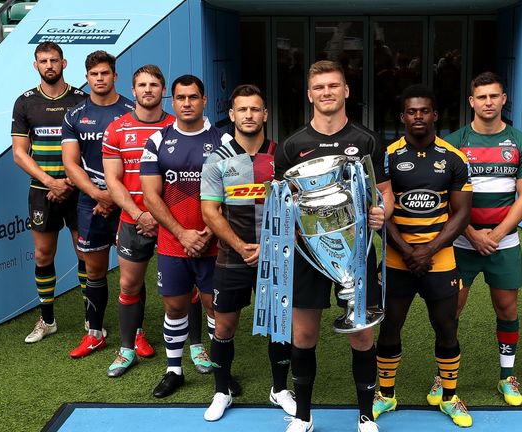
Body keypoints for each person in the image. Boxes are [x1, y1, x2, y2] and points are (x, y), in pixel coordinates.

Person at [274, 60, 392, 432]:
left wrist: (380, 213)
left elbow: (386, 194)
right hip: (308, 254)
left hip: (356, 255)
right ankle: (304, 416)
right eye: (319, 87)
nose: (326, 92)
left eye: (333, 86)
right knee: (304, 334)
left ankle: (366, 416)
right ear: (310, 95)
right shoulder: (293, 145)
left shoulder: (367, 140)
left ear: (346, 91)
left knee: (362, 333)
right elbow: (280, 200)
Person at [372, 84, 474, 427]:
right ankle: (385, 395)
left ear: (435, 115)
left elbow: (461, 214)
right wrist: (407, 250)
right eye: (412, 111)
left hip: (439, 258)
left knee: (446, 327)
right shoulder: (386, 157)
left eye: (424, 111)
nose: (418, 117)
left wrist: (428, 249)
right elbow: (379, 210)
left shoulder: (454, 157)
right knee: (390, 327)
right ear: (403, 117)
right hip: (396, 258)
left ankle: (449, 397)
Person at [200, 84, 295, 421]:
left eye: (255, 109)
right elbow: (210, 212)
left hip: (276, 259)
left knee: (279, 326)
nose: (249, 115)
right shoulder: (216, 159)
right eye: (243, 109)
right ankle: (221, 391)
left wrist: (269, 246)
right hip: (231, 258)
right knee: (223, 327)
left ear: (265, 114)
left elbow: (295, 207)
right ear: (232, 115)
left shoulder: (283, 156)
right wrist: (240, 246)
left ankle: (280, 389)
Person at [444, 72, 522, 405]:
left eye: (493, 96)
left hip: (504, 242)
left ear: (503, 99)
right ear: (472, 101)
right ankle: (444, 377)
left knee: (507, 308)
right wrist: (471, 233)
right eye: (481, 97)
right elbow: (447, 197)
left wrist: (495, 235)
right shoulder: (453, 143)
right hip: (460, 243)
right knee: (450, 310)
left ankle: (506, 376)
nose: (487, 102)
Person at [140, 75, 226, 398]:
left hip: (214, 243)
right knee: (175, 307)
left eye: (193, 97)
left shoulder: (225, 142)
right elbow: (151, 196)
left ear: (205, 100)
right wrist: (181, 233)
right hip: (173, 244)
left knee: (215, 307)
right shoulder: (157, 142)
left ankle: (222, 372)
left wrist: (210, 229)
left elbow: (235, 194)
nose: (187, 103)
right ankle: (174, 370)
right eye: (180, 97)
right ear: (172, 102)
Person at [101, 65, 175, 376]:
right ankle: (126, 349)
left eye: (154, 84)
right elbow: (113, 180)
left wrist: (163, 218)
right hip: (134, 221)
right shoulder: (117, 129)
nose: (148, 89)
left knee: (186, 287)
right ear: (133, 91)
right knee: (129, 284)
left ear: (163, 90)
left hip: (173, 223)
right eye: (142, 85)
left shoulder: (179, 126)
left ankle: (196, 348)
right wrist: (138, 214)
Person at [61, 50, 135, 359]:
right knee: (94, 269)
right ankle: (95, 333)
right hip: (90, 202)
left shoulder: (131, 111)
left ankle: (136, 334)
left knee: (133, 269)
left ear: (115, 76)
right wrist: (99, 194)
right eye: (94, 75)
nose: (100, 79)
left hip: (128, 200)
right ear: (87, 78)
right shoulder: (75, 115)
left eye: (105, 73)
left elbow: (138, 161)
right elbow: (70, 164)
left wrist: (115, 196)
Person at [12, 42, 87, 343]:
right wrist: (51, 182)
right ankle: (48, 320)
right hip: (42, 190)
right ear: (36, 66)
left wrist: (69, 182)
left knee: (85, 253)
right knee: (44, 254)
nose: (49, 65)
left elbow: (90, 148)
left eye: (54, 60)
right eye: (43, 61)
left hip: (79, 189)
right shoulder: (25, 103)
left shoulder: (82, 100)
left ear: (64, 63)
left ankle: (90, 319)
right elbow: (20, 153)